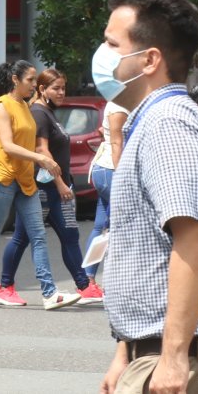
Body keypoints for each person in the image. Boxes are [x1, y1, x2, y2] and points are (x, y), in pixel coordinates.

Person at [97, 0, 198, 394]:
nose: (103, 54)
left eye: (112, 44)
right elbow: (149, 249)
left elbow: (195, 236)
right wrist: (126, 351)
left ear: (150, 59)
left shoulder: (168, 124)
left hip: (190, 361)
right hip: (155, 353)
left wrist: (171, 358)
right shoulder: (152, 120)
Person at [0, 60, 80, 311]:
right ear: (15, 79)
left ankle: (50, 293)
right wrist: (41, 158)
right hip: (3, 178)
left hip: (25, 181)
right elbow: (8, 145)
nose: (34, 85)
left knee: (38, 236)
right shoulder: (2, 105)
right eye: (30, 80)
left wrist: (39, 160)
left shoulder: (26, 105)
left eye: (35, 80)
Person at [0, 67, 103, 307]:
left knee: (70, 235)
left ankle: (84, 286)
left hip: (57, 188)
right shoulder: (38, 113)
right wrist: (61, 182)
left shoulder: (48, 113)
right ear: (43, 89)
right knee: (23, 237)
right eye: (56, 88)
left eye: (63, 88)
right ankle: (4, 287)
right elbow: (41, 151)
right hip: (45, 187)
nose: (61, 92)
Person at [84, 97, 126, 281]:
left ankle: (88, 279)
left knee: (101, 227)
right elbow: (117, 143)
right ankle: (114, 281)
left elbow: (105, 131)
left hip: (104, 168)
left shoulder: (117, 103)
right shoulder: (120, 105)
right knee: (122, 226)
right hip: (111, 170)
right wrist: (124, 175)